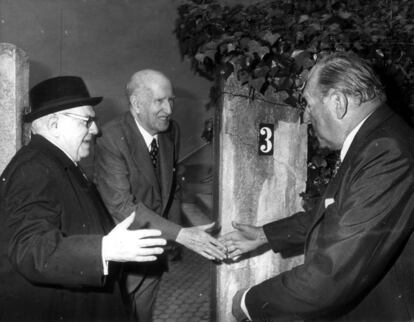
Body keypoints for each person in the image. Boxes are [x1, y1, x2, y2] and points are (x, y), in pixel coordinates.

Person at [221, 52, 414, 321]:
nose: (307, 117)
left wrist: (247, 302)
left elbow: (329, 278)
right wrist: (265, 234)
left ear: (338, 102)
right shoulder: (375, 140)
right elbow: (335, 210)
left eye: (310, 105)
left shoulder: (386, 152)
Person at [0, 76, 167, 322]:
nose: (95, 130)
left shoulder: (58, 162)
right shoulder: (33, 169)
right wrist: (105, 249)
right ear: (54, 124)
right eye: (87, 121)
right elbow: (30, 249)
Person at [94, 69, 226, 321]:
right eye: (159, 101)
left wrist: (172, 237)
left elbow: (173, 187)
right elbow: (122, 206)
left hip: (154, 254)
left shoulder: (170, 131)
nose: (169, 108)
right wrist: (182, 234)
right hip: (123, 257)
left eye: (171, 100)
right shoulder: (111, 138)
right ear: (136, 103)